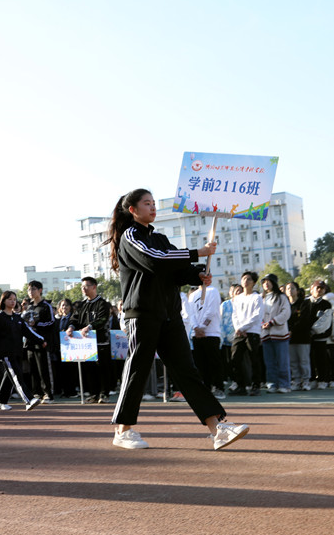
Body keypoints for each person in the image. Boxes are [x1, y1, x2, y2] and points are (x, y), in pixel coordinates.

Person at [104, 188, 247, 450]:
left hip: (169, 314)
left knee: (187, 370)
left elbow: (175, 269)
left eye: (154, 203)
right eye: (147, 203)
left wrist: (196, 276)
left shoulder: (160, 237)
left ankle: (218, 429)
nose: (153, 207)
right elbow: (154, 261)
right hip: (142, 314)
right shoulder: (130, 236)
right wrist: (197, 253)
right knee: (137, 369)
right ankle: (123, 430)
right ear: (133, 209)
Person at [0, 289, 44, 411]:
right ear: (3, 301)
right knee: (16, 376)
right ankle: (29, 399)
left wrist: (42, 340)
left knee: (9, 376)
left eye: (14, 299)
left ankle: (0, 400)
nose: (13, 302)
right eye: (10, 299)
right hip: (5, 353)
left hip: (18, 351)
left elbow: (28, 332)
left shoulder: (17, 318)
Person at [67, 277, 112, 403]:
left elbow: (102, 320)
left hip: (101, 342)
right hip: (86, 344)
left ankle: (104, 394)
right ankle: (94, 394)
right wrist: (71, 327)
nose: (83, 289)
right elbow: (74, 319)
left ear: (94, 287)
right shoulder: (82, 305)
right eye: (82, 286)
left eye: (86, 286)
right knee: (89, 369)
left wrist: (90, 327)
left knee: (103, 369)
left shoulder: (102, 303)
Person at [189, 278, 224, 399]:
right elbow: (190, 313)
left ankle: (218, 387)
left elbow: (212, 310)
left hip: (211, 333)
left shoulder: (213, 291)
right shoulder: (193, 295)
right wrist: (195, 327)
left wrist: (202, 327)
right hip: (196, 334)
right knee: (200, 363)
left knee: (214, 362)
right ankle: (205, 388)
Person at [231, 272, 264, 396]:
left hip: (252, 332)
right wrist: (238, 328)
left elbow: (257, 316)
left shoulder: (257, 297)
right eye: (244, 278)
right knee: (235, 359)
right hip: (239, 332)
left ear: (254, 283)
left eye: (249, 279)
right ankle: (241, 386)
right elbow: (234, 315)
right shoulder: (238, 298)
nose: (245, 281)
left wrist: (244, 327)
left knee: (254, 359)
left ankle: (256, 386)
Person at [259, 273, 291, 393]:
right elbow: (258, 313)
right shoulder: (261, 298)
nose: (266, 284)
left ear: (274, 283)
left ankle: (284, 384)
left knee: (282, 361)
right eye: (264, 282)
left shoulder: (281, 297)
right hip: (266, 334)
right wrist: (262, 323)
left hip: (280, 333)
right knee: (269, 361)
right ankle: (272, 383)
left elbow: (286, 313)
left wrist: (272, 322)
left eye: (268, 281)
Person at [24, 281, 56, 402]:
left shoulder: (45, 306)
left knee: (44, 369)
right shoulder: (29, 307)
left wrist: (36, 324)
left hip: (43, 342)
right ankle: (36, 392)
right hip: (30, 342)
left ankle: (48, 393)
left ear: (40, 290)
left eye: (33, 289)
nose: (31, 292)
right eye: (29, 290)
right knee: (33, 369)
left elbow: (51, 322)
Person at [307, 281, 334, 388]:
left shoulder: (326, 304)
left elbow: (326, 321)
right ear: (312, 289)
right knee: (309, 359)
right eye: (317, 287)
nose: (319, 290)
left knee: (321, 359)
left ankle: (323, 379)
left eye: (322, 288)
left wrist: (314, 331)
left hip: (321, 337)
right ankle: (312, 378)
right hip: (307, 338)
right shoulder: (306, 303)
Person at [285, 282, 311, 391]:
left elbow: (303, 320)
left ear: (297, 290)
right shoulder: (285, 305)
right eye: (288, 289)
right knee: (293, 361)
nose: (290, 290)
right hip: (289, 337)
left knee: (304, 360)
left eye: (292, 288)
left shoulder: (304, 303)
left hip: (302, 337)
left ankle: (306, 381)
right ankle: (296, 380)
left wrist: (292, 330)